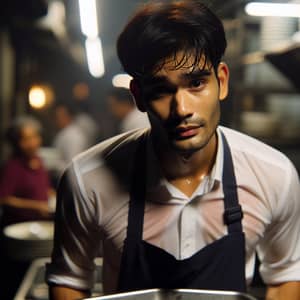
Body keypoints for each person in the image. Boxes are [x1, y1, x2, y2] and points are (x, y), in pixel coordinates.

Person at [46, 1, 300, 300]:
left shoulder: (273, 174)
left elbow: (286, 275)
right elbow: (70, 280)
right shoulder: (88, 179)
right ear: (139, 97)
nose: (181, 109)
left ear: (221, 81)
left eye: (196, 83)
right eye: (161, 89)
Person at [0, 116, 53, 227]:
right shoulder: (12, 167)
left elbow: (42, 188)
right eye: (26, 139)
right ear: (17, 143)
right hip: (19, 228)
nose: (33, 143)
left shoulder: (38, 160)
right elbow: (4, 199)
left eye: (35, 137)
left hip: (39, 224)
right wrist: (37, 206)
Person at [53, 104, 92, 171]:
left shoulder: (74, 135)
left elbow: (73, 164)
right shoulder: (64, 133)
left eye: (62, 116)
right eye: (57, 117)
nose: (59, 119)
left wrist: (55, 165)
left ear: (69, 116)